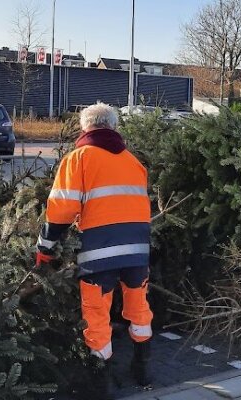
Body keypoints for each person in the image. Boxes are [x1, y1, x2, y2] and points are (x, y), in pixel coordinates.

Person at [35, 102, 154, 388]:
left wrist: (44, 247)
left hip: (99, 252)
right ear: (113, 127)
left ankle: (101, 385)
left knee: (97, 314)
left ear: (85, 127)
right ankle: (143, 372)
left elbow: (61, 209)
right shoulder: (132, 161)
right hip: (137, 250)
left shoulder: (79, 159)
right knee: (139, 308)